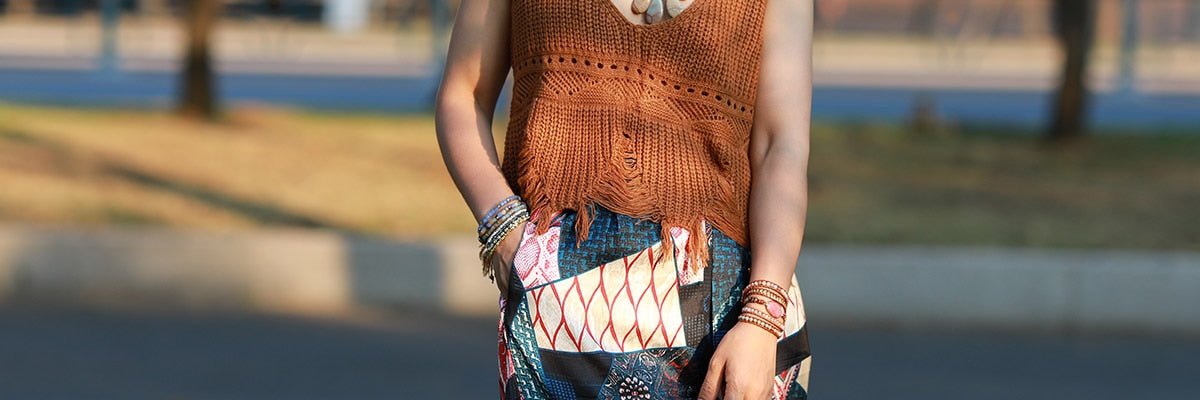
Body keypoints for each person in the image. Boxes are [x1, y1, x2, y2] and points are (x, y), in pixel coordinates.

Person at [435, 0, 814, 398]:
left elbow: (779, 147)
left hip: (730, 322)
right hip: (553, 310)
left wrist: (762, 316)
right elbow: (464, 94)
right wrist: (506, 234)